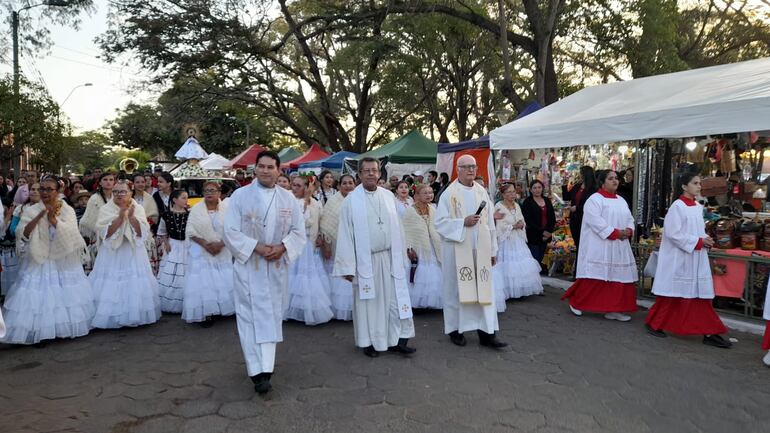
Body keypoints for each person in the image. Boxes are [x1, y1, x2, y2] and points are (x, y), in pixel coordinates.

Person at [223, 151, 306, 395]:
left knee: (271, 314)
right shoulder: (240, 195)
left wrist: (282, 248)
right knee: (249, 316)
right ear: (254, 169)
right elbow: (230, 231)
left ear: (279, 170)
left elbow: (299, 231)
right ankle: (256, 372)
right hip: (250, 266)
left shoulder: (288, 198)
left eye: (271, 167)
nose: (265, 170)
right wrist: (257, 247)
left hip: (276, 266)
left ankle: (267, 366)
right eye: (261, 166)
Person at [333, 157, 416, 358]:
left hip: (390, 258)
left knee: (394, 301)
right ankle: (369, 341)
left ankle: (396, 340)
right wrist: (347, 267)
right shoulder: (350, 201)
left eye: (374, 170)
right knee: (369, 303)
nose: (371, 173)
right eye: (366, 170)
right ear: (359, 175)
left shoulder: (389, 197)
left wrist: (405, 251)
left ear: (380, 174)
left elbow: (398, 227)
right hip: (366, 261)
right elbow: (345, 234)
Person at [0, 176, 94, 345]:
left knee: (63, 294)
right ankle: (40, 331)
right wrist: (40, 217)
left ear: (57, 191)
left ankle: (62, 328)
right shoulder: (31, 210)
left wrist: (53, 220)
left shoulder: (67, 209)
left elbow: (72, 235)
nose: (44, 192)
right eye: (41, 189)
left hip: (63, 257)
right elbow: (23, 234)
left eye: (48, 189)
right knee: (40, 295)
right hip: (39, 256)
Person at [644, 172, 731, 348]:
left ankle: (709, 331)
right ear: (684, 186)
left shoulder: (697, 207)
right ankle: (655, 323)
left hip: (695, 256)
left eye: (699, 183)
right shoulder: (677, 207)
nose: (699, 186)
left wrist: (706, 238)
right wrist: (699, 242)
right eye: (695, 183)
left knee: (698, 296)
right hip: (680, 258)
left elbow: (696, 230)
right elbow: (674, 234)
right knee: (672, 296)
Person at [436, 155, 507, 349]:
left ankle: (487, 333)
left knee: (484, 290)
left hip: (481, 250)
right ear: (457, 169)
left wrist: (493, 250)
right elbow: (440, 224)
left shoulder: (482, 192)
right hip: (458, 251)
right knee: (457, 289)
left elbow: (489, 223)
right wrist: (462, 223)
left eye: (473, 167)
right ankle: (455, 330)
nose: (470, 170)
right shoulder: (448, 194)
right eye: (466, 167)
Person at [561, 170, 638, 321]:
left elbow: (629, 218)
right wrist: (615, 233)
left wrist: (629, 230)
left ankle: (614, 309)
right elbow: (595, 221)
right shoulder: (594, 200)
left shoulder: (621, 200)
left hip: (619, 245)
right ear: (602, 182)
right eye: (611, 179)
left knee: (618, 278)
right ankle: (577, 302)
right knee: (595, 278)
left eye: (616, 178)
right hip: (600, 245)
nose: (615, 181)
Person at [90, 180, 160, 329]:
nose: (119, 195)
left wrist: (132, 217)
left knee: (133, 282)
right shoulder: (106, 209)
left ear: (130, 192)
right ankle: (111, 316)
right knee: (111, 282)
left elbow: (143, 232)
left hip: (132, 251)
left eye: (123, 191)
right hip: (112, 252)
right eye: (116, 192)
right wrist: (121, 217)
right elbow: (104, 233)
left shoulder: (138, 207)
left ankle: (133, 314)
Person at [182, 182, 234, 327]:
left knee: (222, 279)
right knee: (204, 281)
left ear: (219, 192)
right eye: (206, 191)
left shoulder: (228, 209)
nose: (209, 193)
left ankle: (224, 308)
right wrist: (205, 244)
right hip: (201, 249)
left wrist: (221, 244)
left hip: (223, 248)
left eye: (212, 190)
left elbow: (233, 229)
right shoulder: (196, 209)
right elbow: (190, 231)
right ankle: (207, 312)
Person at [285, 176, 334, 325]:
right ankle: (288, 309)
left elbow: (320, 221)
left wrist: (320, 236)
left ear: (307, 187)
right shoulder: (289, 201)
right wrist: (305, 199)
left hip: (309, 244)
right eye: (294, 185)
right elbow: (298, 222)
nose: (295, 188)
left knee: (309, 276)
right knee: (293, 275)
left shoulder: (316, 203)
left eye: (299, 186)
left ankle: (308, 309)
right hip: (294, 244)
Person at [493, 183, 544, 300]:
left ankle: (520, 290)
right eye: (509, 192)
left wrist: (521, 224)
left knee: (520, 265)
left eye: (513, 191)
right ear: (503, 194)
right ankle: (508, 290)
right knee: (508, 265)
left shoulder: (517, 205)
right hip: (506, 240)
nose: (512, 194)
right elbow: (499, 225)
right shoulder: (498, 206)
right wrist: (512, 226)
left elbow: (522, 219)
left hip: (517, 239)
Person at [319, 174, 356, 321]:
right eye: (345, 183)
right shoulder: (333, 201)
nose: (348, 186)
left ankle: (354, 307)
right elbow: (326, 225)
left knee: (351, 273)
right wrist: (327, 245)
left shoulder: (358, 199)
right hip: (335, 244)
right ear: (339, 185)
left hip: (354, 243)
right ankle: (337, 307)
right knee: (339, 274)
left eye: (351, 183)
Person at [403, 184, 443, 309]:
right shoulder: (410, 211)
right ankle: (418, 302)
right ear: (417, 196)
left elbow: (438, 227)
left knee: (434, 273)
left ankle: (433, 300)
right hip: (418, 247)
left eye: (430, 192)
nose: (429, 195)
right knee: (419, 273)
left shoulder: (433, 209)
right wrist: (409, 248)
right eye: (425, 193)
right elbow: (406, 231)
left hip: (433, 246)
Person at [157, 189, 190, 313]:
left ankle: (186, 301)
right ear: (175, 200)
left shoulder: (190, 214)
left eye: (186, 197)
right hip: (173, 245)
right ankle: (170, 301)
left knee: (185, 270)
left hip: (186, 245)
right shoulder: (166, 215)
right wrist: (165, 242)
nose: (186, 200)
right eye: (183, 197)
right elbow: (162, 231)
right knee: (172, 270)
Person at [79, 172, 116, 268]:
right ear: (100, 182)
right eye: (105, 180)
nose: (108, 182)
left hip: (116, 234)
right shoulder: (94, 198)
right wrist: (102, 229)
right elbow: (88, 219)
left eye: (111, 180)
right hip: (98, 236)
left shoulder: (117, 197)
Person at [521, 180, 556, 268]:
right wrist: (542, 232)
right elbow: (528, 220)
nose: (537, 190)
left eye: (539, 187)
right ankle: (533, 280)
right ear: (531, 190)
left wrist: (549, 232)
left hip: (546, 236)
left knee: (540, 259)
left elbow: (552, 217)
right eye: (535, 188)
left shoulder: (547, 200)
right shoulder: (527, 202)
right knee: (534, 260)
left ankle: (538, 279)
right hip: (533, 236)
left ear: (542, 188)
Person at [132, 174, 161, 274]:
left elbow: (154, 215)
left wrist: (146, 223)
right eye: (137, 182)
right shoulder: (128, 197)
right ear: (133, 184)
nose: (140, 184)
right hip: (130, 231)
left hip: (146, 231)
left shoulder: (149, 198)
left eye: (142, 182)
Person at [568, 166, 596, 254]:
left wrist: (577, 208)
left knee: (584, 245)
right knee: (577, 244)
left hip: (584, 219)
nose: (579, 175)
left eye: (580, 173)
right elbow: (569, 197)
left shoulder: (593, 188)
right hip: (574, 220)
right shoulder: (577, 186)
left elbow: (592, 205)